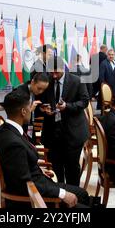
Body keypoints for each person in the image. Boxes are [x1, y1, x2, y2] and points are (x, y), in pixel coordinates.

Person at [0, 90, 89, 208]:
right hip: (33, 197)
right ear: (23, 111)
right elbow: (24, 184)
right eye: (30, 106)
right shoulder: (13, 142)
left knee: (83, 194)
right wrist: (62, 194)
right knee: (81, 197)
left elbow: (20, 165)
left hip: (38, 181)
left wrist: (37, 168)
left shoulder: (5, 130)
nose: (31, 109)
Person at [39, 56, 89, 186]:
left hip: (73, 130)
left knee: (72, 167)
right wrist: (44, 108)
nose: (54, 75)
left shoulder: (76, 81)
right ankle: (60, 193)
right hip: (52, 131)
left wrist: (67, 106)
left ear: (63, 68)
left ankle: (74, 195)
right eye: (51, 72)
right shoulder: (47, 81)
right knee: (56, 166)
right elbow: (40, 100)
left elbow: (84, 101)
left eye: (57, 72)